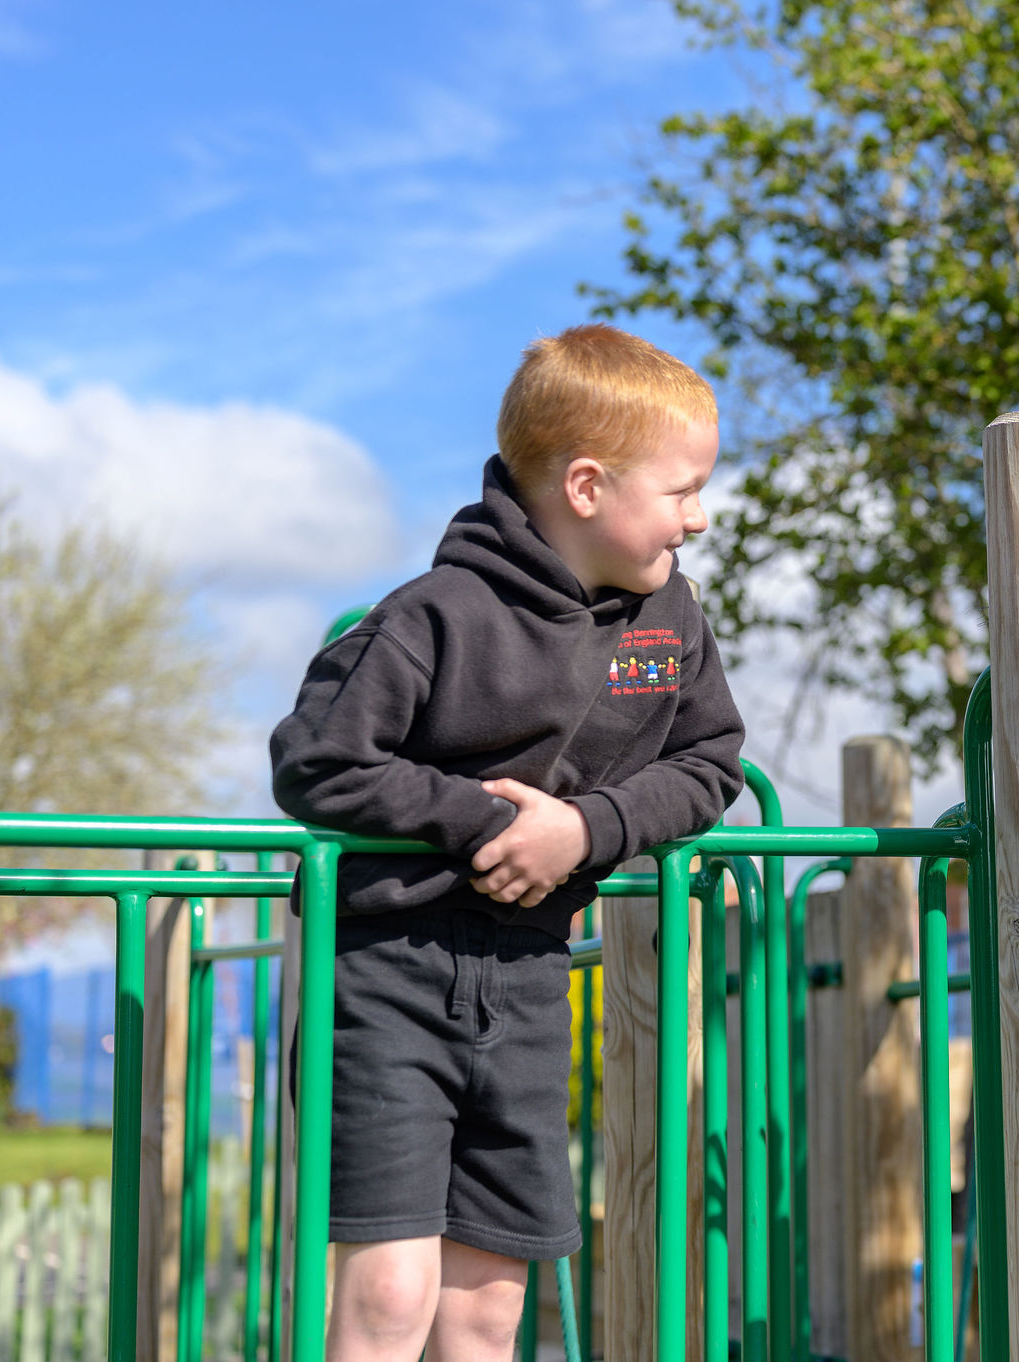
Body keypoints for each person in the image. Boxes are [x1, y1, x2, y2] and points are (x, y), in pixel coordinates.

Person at [270, 324, 745, 1362]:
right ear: (586, 486)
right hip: (384, 977)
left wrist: (583, 829)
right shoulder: (435, 615)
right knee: (391, 1292)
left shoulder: (670, 625)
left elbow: (712, 761)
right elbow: (315, 761)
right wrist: (490, 823)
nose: (698, 518)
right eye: (681, 490)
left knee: (488, 1305)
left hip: (528, 980)